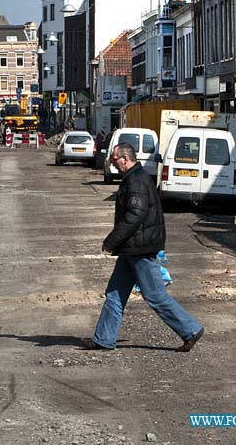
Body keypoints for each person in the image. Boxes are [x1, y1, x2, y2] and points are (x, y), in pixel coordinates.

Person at [81, 142, 204, 352]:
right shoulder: (133, 178)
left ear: (125, 159)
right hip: (131, 249)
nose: (112, 162)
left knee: (155, 295)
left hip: (140, 249)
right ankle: (104, 339)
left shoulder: (136, 181)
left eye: (114, 159)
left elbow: (134, 215)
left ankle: (190, 329)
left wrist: (112, 240)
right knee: (115, 294)